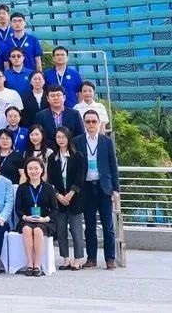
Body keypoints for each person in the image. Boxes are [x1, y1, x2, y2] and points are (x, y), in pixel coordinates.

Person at [73, 110, 120, 269]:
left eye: (94, 121)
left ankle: (110, 258)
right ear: (84, 123)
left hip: (104, 187)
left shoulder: (106, 141)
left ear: (99, 123)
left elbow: (113, 165)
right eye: (88, 121)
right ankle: (91, 258)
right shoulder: (77, 141)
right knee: (90, 225)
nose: (91, 124)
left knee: (108, 226)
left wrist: (116, 189)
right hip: (86, 187)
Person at [49, 127, 86, 270]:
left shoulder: (78, 156)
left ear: (69, 138)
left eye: (63, 137)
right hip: (58, 200)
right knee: (61, 231)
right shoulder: (52, 158)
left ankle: (78, 259)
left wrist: (71, 193)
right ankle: (65, 259)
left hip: (74, 199)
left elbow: (80, 177)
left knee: (76, 231)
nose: (61, 140)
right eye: (58, 137)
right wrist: (57, 195)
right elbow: (50, 180)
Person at [16, 157, 57, 276]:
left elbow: (55, 209)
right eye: (30, 169)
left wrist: (46, 219)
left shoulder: (48, 187)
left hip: (44, 220)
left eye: (36, 168)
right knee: (26, 229)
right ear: (26, 171)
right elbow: (18, 208)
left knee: (38, 231)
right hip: (27, 219)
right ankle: (30, 263)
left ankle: (37, 264)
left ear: (42, 170)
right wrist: (25, 217)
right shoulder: (22, 188)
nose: (33, 171)